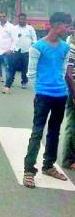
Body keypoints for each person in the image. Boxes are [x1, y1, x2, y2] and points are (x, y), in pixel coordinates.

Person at [22, 12, 72, 188]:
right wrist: (41, 90)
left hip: (61, 95)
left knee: (54, 132)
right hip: (43, 96)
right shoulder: (37, 47)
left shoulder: (65, 47)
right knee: (37, 132)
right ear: (56, 25)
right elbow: (31, 73)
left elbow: (64, 70)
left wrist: (68, 90)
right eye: (66, 26)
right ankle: (29, 170)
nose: (68, 29)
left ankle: (48, 166)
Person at [10, 13, 37, 89]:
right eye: (20, 19)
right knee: (13, 67)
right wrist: (12, 48)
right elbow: (12, 39)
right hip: (16, 50)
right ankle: (10, 81)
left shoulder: (30, 28)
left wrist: (31, 49)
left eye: (23, 19)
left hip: (27, 51)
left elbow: (34, 40)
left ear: (26, 20)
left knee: (25, 68)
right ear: (18, 20)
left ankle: (24, 82)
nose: (22, 20)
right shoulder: (14, 28)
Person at [62, 31, 75, 171]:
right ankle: (68, 159)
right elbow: (68, 74)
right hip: (73, 90)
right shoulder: (71, 47)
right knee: (72, 125)